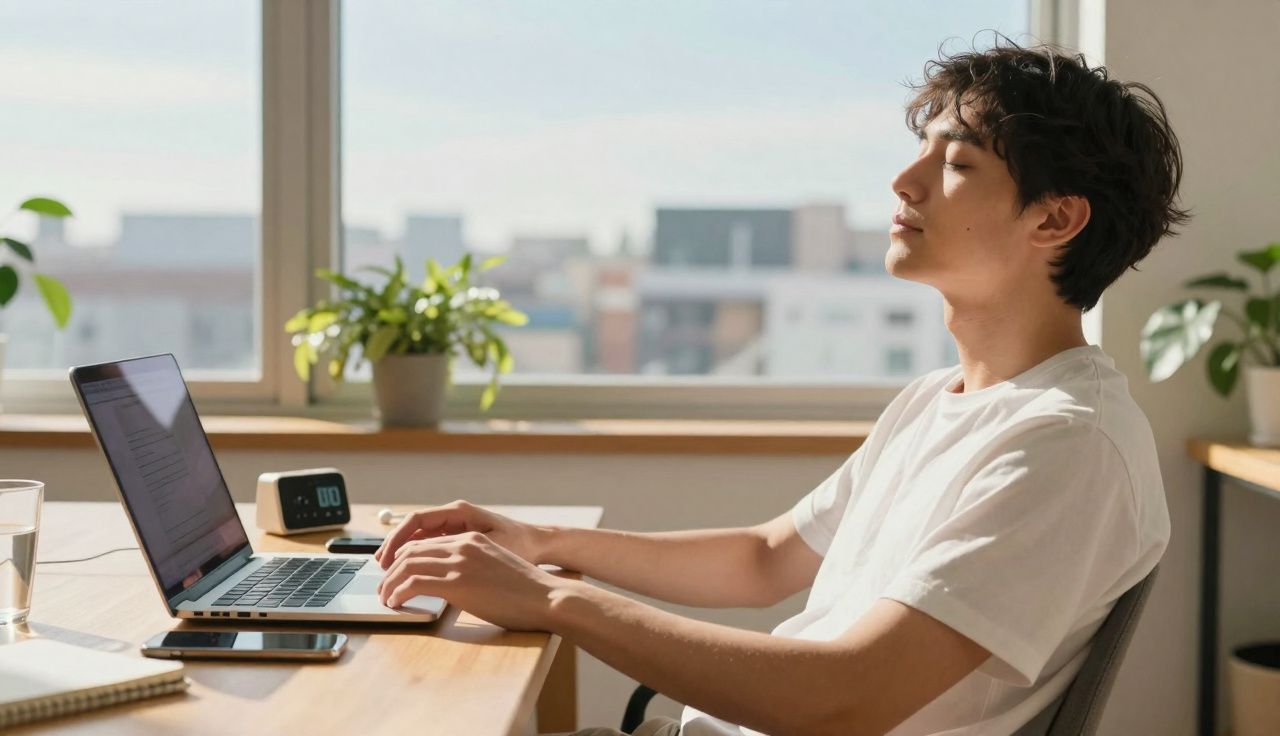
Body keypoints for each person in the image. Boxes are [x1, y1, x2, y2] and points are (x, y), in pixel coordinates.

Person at [373, 38, 1186, 736]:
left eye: (956, 163)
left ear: (1055, 221)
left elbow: (848, 699)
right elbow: (765, 560)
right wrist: (541, 545)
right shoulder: (945, 400)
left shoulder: (1069, 443)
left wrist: (552, 603)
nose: (905, 183)